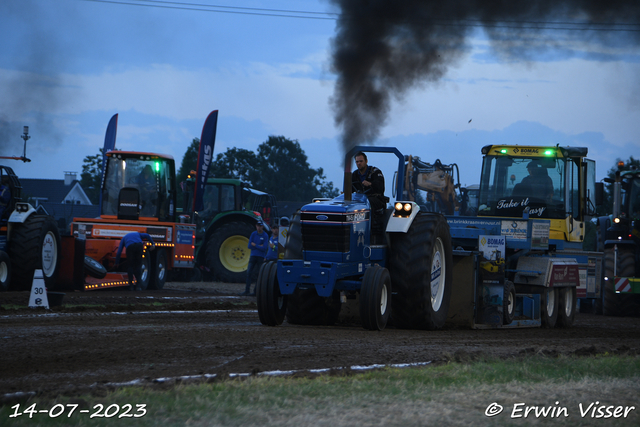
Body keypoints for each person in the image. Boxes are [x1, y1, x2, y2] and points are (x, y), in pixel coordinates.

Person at [352, 151, 387, 228]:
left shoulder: (375, 172)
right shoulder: (354, 174)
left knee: (368, 203)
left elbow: (380, 187)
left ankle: (368, 228)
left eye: (361, 161)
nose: (359, 163)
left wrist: (371, 184)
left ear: (366, 161)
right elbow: (350, 189)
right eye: (357, 162)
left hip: (375, 199)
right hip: (359, 199)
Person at [242, 220, 268, 296]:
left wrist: (255, 245)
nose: (259, 227)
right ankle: (247, 290)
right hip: (253, 256)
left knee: (259, 274)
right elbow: (249, 245)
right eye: (257, 226)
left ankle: (256, 291)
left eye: (260, 226)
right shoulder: (253, 234)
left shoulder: (265, 235)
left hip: (260, 256)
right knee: (248, 273)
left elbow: (264, 248)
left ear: (262, 226)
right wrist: (259, 246)